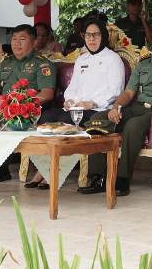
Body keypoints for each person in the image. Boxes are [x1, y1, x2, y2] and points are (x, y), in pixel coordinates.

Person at [80, 21, 152, 196]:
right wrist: (116, 107)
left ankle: (123, 179)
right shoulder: (144, 63)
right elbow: (129, 92)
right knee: (96, 120)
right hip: (138, 107)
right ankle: (99, 177)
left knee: (132, 126)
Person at [28, 19, 125, 189]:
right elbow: (72, 87)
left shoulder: (113, 59)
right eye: (88, 35)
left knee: (68, 121)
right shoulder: (82, 59)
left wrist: (92, 102)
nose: (92, 39)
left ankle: (52, 172)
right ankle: (44, 168)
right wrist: (69, 100)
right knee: (46, 116)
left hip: (99, 109)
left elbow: (115, 90)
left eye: (96, 35)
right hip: (77, 108)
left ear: (103, 36)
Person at [0, 24, 56, 182]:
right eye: (14, 39)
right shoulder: (6, 63)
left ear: (34, 41)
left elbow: (47, 93)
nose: (17, 43)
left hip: (28, 110)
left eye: (22, 39)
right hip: (5, 108)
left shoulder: (42, 64)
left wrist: (23, 104)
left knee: (7, 119)